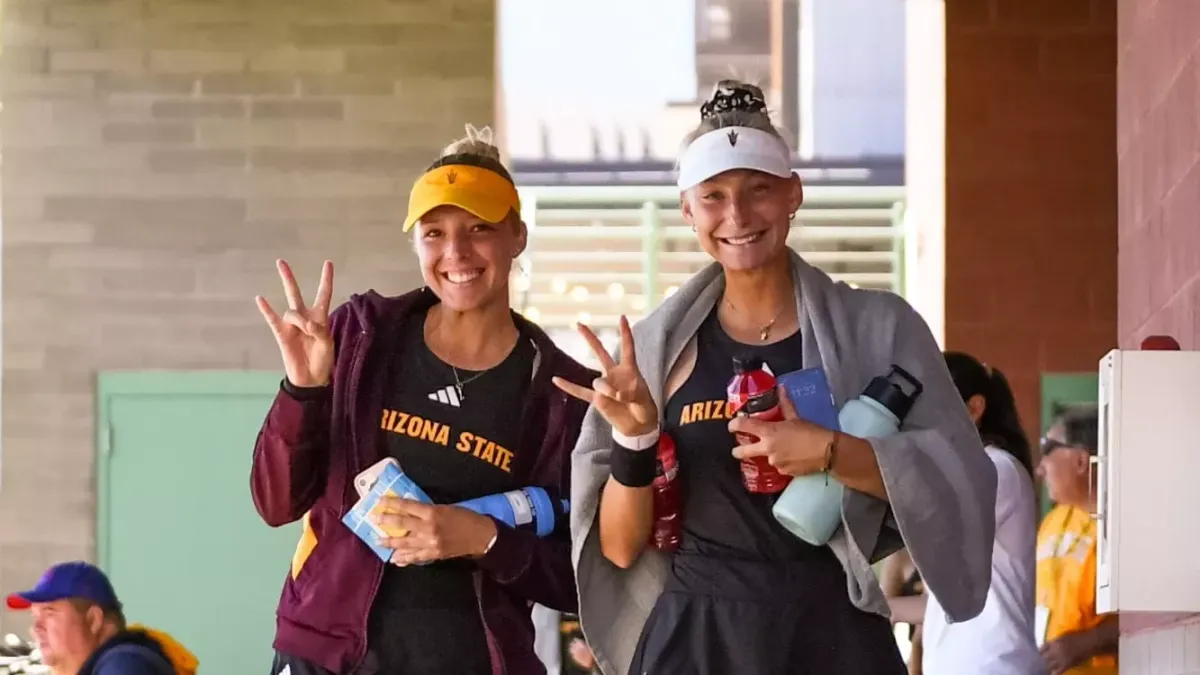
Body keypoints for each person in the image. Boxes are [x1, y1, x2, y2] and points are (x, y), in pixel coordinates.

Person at [560, 80, 998, 675]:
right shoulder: (655, 354)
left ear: (793, 193)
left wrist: (833, 452)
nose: (737, 216)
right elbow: (618, 548)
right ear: (687, 210)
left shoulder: (878, 330)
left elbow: (959, 476)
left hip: (831, 627)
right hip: (697, 635)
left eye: (758, 189)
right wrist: (635, 438)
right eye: (713, 197)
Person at [251, 124, 596, 675]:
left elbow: (583, 580)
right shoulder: (359, 337)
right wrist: (303, 391)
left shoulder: (563, 393)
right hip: (326, 654)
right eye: (434, 233)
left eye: (479, 228)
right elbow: (275, 503)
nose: (456, 252)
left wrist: (484, 538)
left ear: (518, 235)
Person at [887, 352, 1044, 674]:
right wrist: (879, 607)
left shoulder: (997, 469)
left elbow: (927, 517)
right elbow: (946, 608)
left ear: (974, 409)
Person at [1035, 406, 1118, 675]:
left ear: (1081, 461)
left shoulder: (1125, 527)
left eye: (1048, 451)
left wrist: (1089, 642)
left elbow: (1151, 614)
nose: (1040, 469)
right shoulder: (1053, 521)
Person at [5, 561, 197, 675]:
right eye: (34, 616)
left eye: (50, 613)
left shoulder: (125, 664)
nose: (36, 628)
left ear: (93, 620)